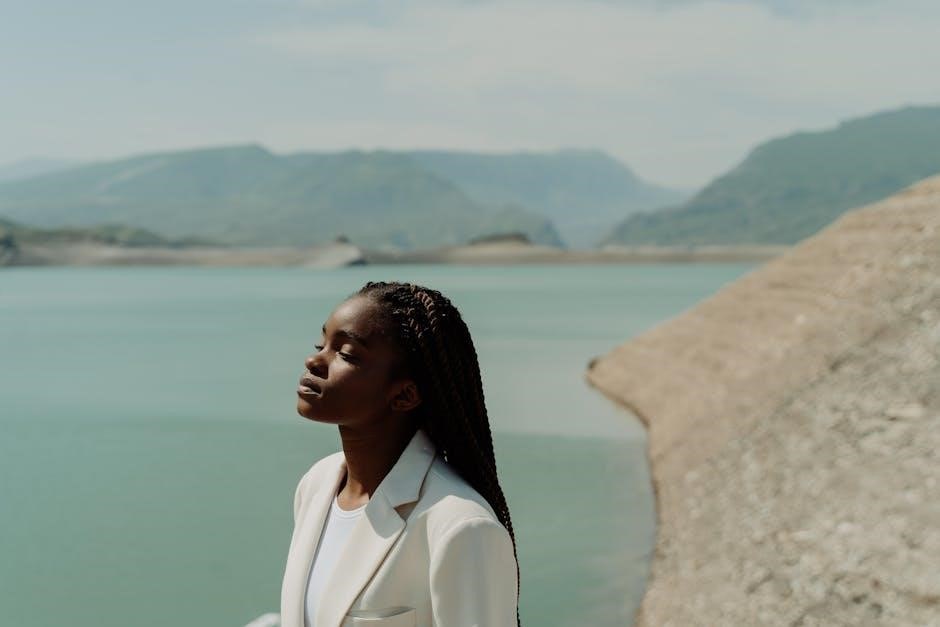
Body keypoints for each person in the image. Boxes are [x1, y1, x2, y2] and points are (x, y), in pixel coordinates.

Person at [279, 281, 521, 627]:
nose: (314, 360)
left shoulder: (460, 527)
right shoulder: (317, 485)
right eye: (322, 344)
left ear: (405, 395)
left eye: (346, 354)